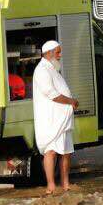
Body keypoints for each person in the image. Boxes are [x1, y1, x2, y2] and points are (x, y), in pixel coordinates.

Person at [32, 40, 79, 194]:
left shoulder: (52, 69)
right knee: (51, 151)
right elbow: (51, 94)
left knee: (65, 151)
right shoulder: (42, 70)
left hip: (61, 118)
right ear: (50, 53)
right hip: (50, 119)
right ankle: (51, 185)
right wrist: (70, 101)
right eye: (58, 52)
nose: (60, 55)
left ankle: (66, 183)